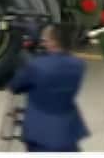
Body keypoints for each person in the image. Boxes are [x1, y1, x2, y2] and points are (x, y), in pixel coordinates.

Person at [8, 23, 90, 152]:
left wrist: (24, 59)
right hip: (68, 131)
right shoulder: (78, 65)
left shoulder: (37, 66)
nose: (43, 43)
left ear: (53, 42)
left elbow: (15, 86)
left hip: (40, 134)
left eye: (45, 40)